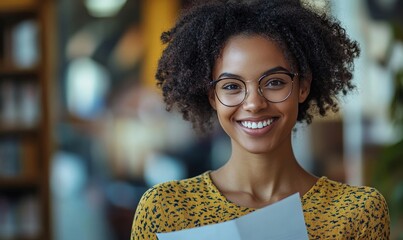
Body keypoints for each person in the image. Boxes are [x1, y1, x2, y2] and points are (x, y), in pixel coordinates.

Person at [131, 0, 390, 239]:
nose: (254, 104)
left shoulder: (357, 212)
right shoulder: (164, 211)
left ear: (303, 87)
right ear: (212, 97)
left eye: (274, 82)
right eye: (231, 86)